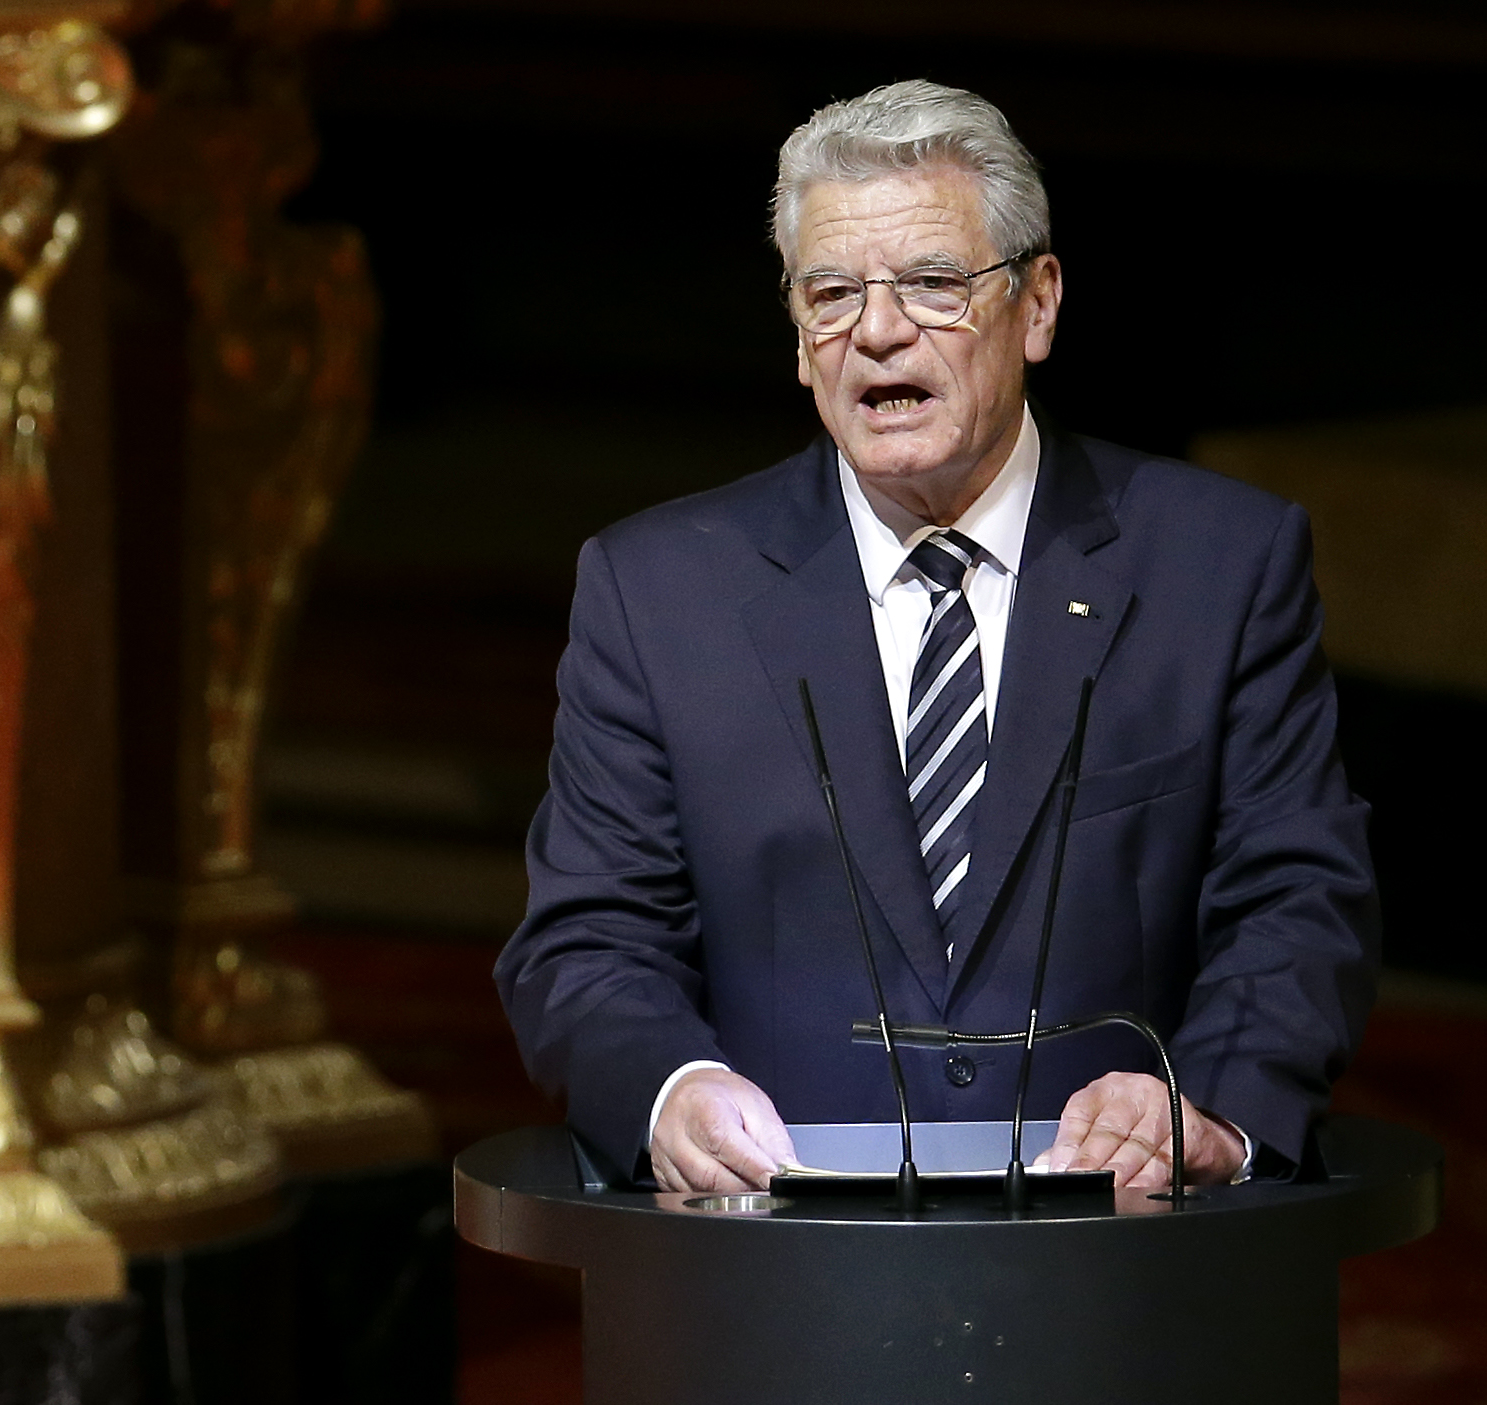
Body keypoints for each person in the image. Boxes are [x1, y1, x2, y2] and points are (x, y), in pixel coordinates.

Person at [493, 80, 1377, 1194]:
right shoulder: (658, 589)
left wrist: (1200, 1102)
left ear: (1037, 304)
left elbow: (1296, 898)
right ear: (798, 334)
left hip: (1125, 1256)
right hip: (774, 1265)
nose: (875, 331)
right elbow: (585, 939)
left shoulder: (1218, 568)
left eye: (930, 284)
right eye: (830, 294)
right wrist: (669, 1086)